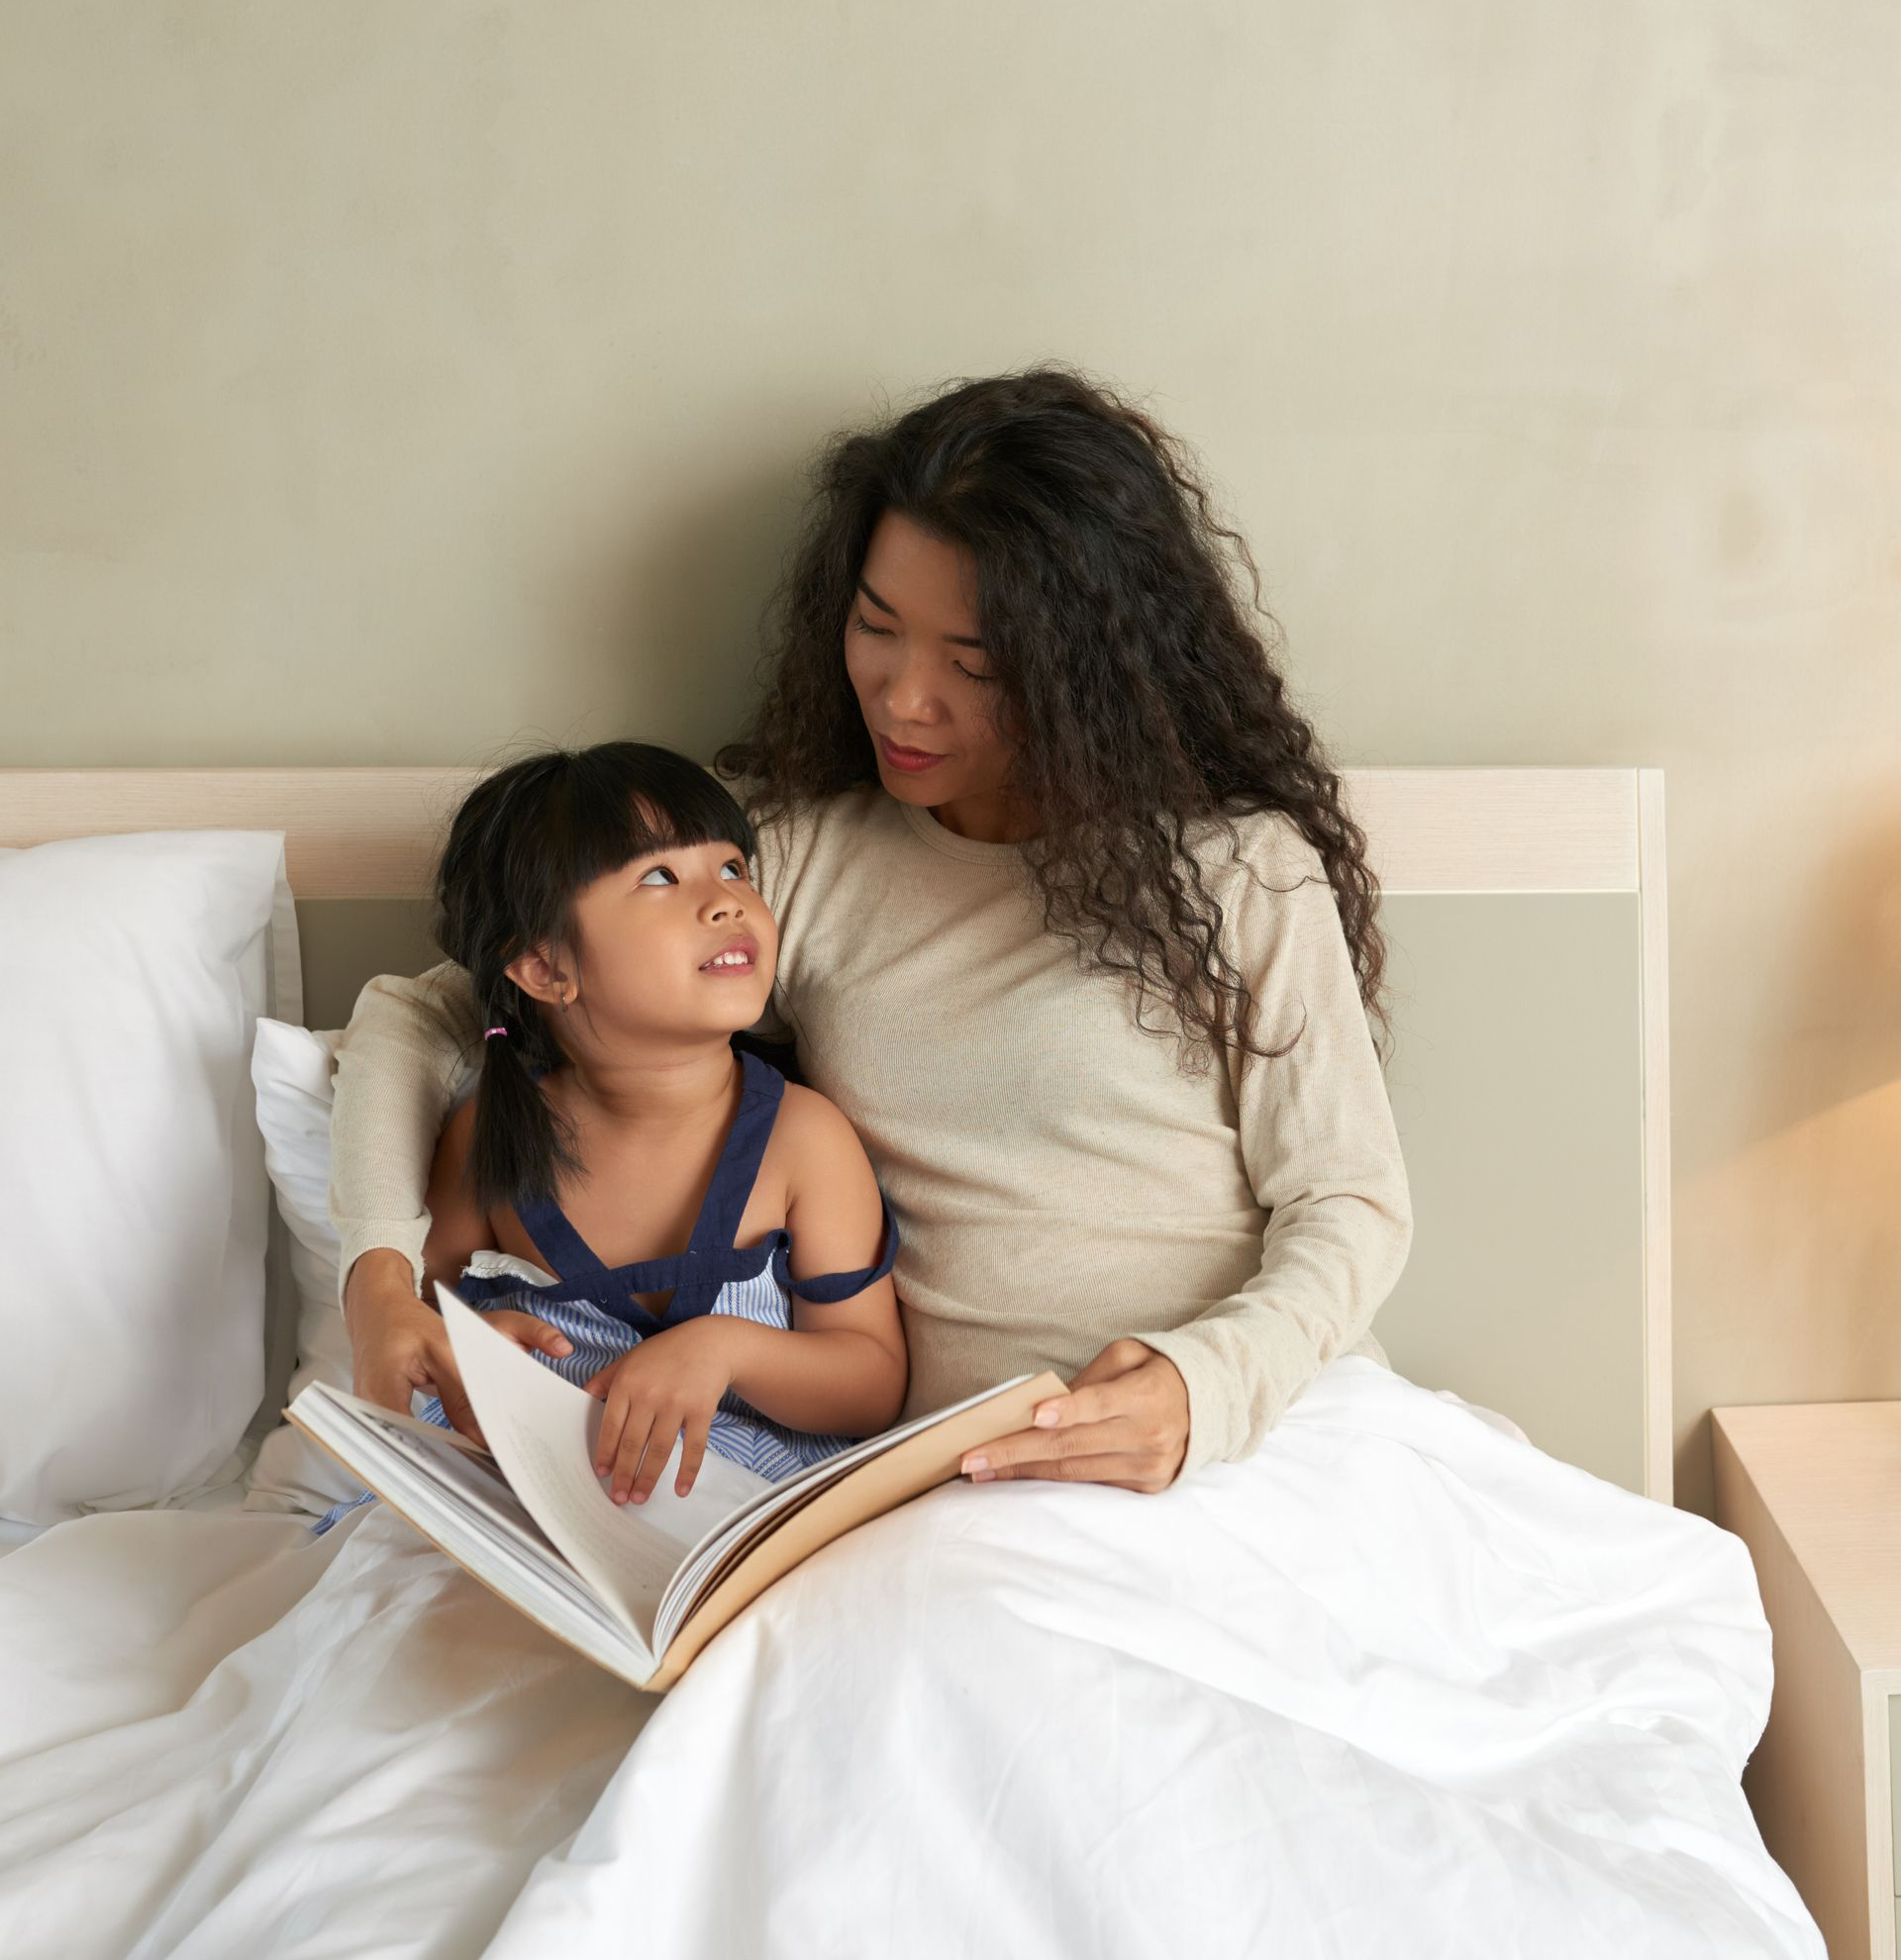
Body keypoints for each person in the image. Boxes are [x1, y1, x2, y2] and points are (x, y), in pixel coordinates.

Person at [332, 364, 1414, 1493]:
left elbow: (1350, 1202)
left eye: (976, 665)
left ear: (1087, 672)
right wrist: (379, 1280)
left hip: (1248, 1438)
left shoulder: (1240, 875)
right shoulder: (796, 863)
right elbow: (420, 1018)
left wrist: (1204, 1389)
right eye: (877, 627)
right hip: (950, 1481)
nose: (902, 697)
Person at [400, 740, 904, 1502]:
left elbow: (871, 1382)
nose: (727, 900)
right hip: (541, 1500)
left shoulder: (803, 1139)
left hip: (738, 1515)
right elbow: (414, 1322)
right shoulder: (489, 1137)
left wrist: (726, 1349)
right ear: (545, 968)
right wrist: (474, 1352)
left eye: (734, 867)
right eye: (661, 876)